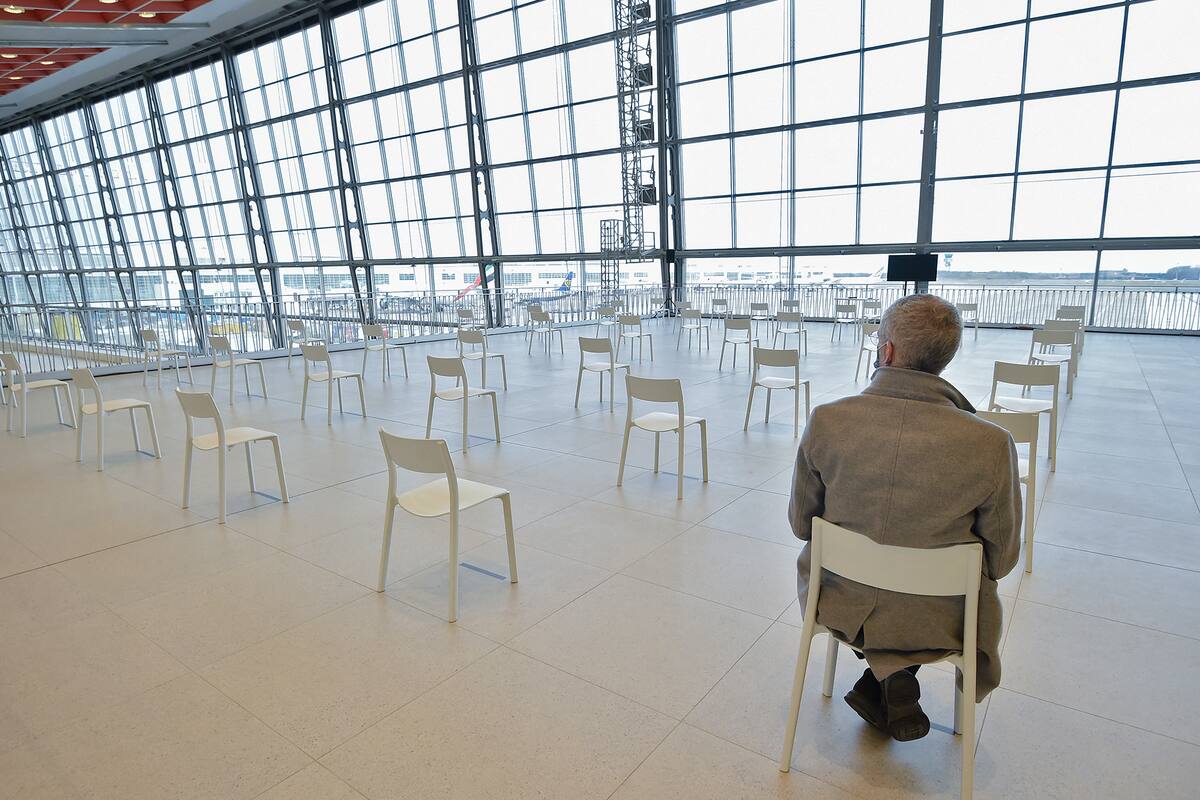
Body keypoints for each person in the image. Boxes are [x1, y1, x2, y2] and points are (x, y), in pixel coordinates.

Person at [787, 293, 1021, 742]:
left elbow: (802, 524)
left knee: (876, 578)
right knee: (935, 587)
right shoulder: (991, 444)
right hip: (938, 617)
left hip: (840, 600)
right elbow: (1001, 559)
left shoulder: (828, 421)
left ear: (887, 351)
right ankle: (892, 676)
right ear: (944, 360)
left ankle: (882, 679)